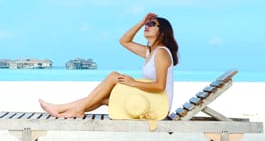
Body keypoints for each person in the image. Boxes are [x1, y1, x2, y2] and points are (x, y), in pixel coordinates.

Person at [38, 13, 179, 118]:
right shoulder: (151, 52)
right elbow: (124, 41)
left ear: (162, 32)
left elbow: (160, 86)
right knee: (103, 98)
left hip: (159, 106)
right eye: (147, 24)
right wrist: (141, 22)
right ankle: (60, 108)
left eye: (151, 24)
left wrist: (133, 83)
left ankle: (74, 110)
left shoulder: (161, 53)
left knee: (113, 76)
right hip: (150, 100)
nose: (147, 27)